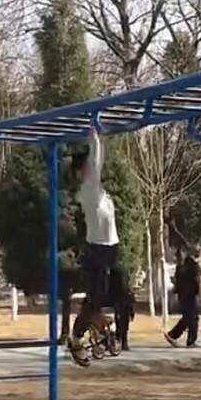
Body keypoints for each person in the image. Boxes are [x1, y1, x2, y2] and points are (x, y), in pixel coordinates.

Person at [69, 127, 119, 367]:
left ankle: (97, 326)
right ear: (82, 172)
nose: (93, 169)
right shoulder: (88, 190)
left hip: (110, 249)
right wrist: (95, 137)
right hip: (97, 250)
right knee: (95, 297)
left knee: (110, 293)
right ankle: (77, 336)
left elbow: (97, 163)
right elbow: (97, 160)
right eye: (88, 167)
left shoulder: (100, 193)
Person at [164, 252, 201, 348]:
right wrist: (197, 291)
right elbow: (196, 281)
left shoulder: (180, 268)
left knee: (188, 318)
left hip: (182, 295)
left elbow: (177, 281)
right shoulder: (194, 268)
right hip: (190, 295)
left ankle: (173, 335)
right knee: (192, 318)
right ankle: (189, 340)